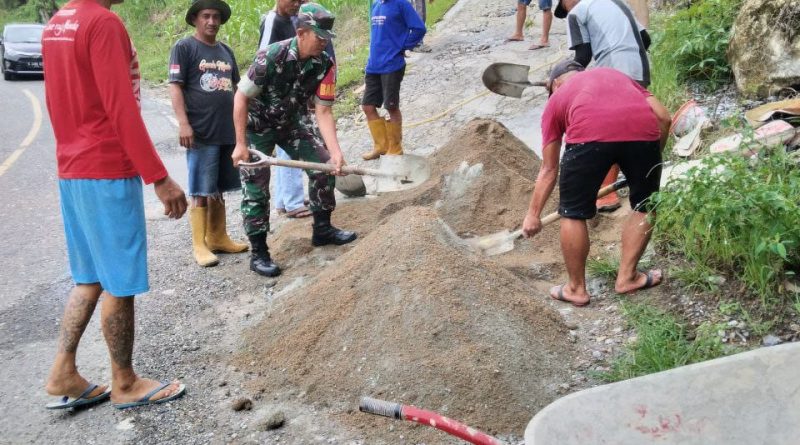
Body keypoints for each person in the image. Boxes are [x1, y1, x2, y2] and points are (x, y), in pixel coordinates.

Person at [42, 0, 188, 410]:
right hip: (106, 167)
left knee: (90, 277)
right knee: (120, 282)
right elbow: (120, 107)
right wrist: (158, 177)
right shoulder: (102, 23)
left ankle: (63, 371)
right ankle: (125, 382)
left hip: (73, 167)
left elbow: (57, 100)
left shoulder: (58, 23)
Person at [521, 60, 672, 307]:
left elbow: (549, 168)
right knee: (644, 205)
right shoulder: (617, 74)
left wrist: (533, 215)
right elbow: (663, 118)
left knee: (572, 213)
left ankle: (576, 289)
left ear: (556, 84)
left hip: (587, 140)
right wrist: (652, 161)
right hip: (643, 135)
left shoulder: (557, 99)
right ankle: (628, 278)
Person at [231, 2, 357, 278]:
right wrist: (241, 143)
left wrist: (335, 152)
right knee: (256, 190)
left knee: (324, 166)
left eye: (327, 39)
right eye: (318, 38)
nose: (324, 43)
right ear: (301, 33)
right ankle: (259, 253)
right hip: (257, 128)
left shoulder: (324, 64)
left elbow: (323, 110)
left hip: (290, 124)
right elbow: (241, 97)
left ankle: (322, 230)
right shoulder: (271, 57)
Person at [169, 0, 249, 268]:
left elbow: (237, 89)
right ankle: (199, 244)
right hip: (200, 131)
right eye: (206, 16)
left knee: (219, 187)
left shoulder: (226, 50)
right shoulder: (185, 48)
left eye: (216, 17)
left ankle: (218, 236)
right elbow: (176, 87)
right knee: (201, 188)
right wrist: (183, 123)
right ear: (194, 19)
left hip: (226, 129)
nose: (212, 21)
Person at [554, 0, 652, 212]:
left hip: (615, 74)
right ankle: (638, 177)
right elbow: (645, 39)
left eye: (565, 7)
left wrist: (561, 76)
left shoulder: (577, 12)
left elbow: (582, 57)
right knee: (632, 128)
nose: (567, 11)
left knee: (611, 130)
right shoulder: (617, 3)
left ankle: (607, 193)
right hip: (640, 69)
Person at [256, 0, 314, 220]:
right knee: (291, 145)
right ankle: (293, 201)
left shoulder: (290, 19)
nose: (298, 4)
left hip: (289, 92)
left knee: (285, 146)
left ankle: (284, 199)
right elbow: (261, 58)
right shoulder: (273, 20)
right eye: (295, 0)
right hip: (277, 95)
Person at [361, 0, 426, 161]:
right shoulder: (375, 5)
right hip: (374, 64)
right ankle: (381, 146)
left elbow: (419, 28)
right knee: (368, 106)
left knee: (391, 106)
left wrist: (402, 46)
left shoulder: (401, 4)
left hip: (392, 64)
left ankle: (395, 148)